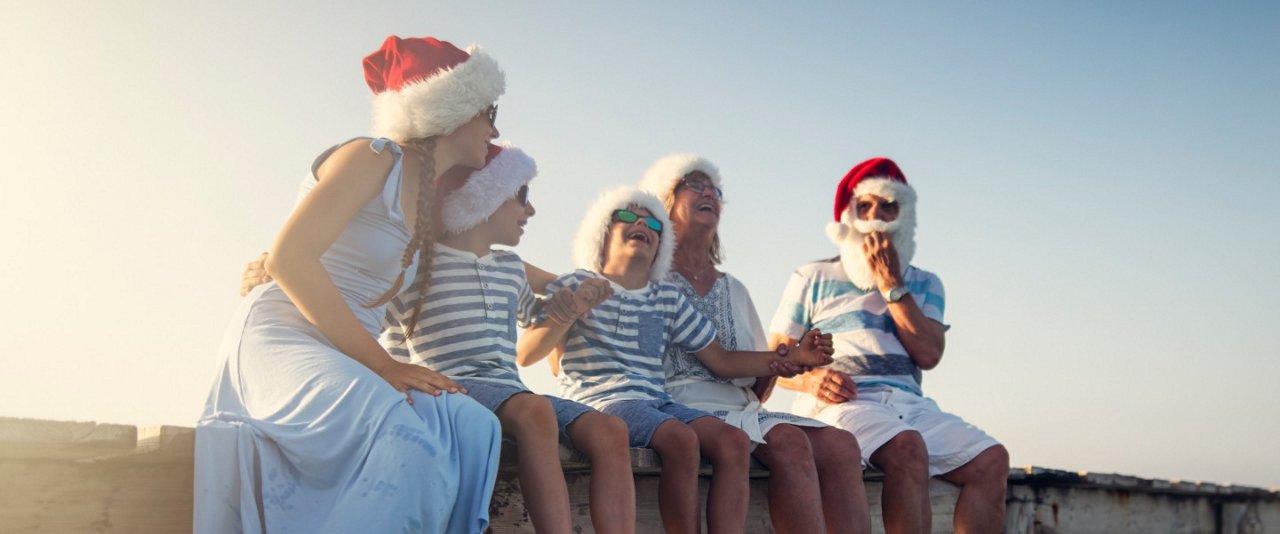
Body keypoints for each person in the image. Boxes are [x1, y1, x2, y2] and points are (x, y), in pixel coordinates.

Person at [196, 36, 506, 533]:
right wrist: (383, 365)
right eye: (488, 111)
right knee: (409, 443)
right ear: (451, 109)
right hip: (287, 337)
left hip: (348, 352)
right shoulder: (373, 157)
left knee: (474, 428)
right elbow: (291, 259)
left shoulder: (427, 205)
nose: (495, 128)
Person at [518, 186, 835, 534]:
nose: (641, 222)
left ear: (661, 246)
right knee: (681, 440)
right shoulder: (578, 283)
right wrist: (575, 307)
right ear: (602, 234)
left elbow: (723, 361)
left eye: (653, 223)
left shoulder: (667, 297)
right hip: (602, 403)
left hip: (656, 402)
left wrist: (793, 357)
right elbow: (528, 354)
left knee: (733, 442)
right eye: (626, 216)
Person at [377, 143, 637, 533]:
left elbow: (536, 325)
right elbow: (358, 297)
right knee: (534, 411)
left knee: (611, 430)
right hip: (447, 389)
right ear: (482, 198)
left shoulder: (511, 268)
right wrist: (272, 271)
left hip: (508, 388)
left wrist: (569, 310)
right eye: (522, 197)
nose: (530, 211)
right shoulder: (417, 262)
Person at [770, 157, 1010, 534]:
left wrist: (890, 282)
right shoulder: (812, 276)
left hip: (909, 406)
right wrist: (811, 380)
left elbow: (929, 355)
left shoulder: (926, 283)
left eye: (888, 206)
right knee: (907, 448)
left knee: (992, 460)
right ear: (847, 216)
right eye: (863, 207)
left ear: (905, 215)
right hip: (843, 405)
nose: (876, 217)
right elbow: (774, 360)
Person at [637, 153, 872, 534]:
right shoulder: (646, 280)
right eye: (694, 184)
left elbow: (757, 390)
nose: (709, 192)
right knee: (791, 442)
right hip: (679, 409)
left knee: (843, 445)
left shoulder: (736, 289)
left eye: (715, 189)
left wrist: (791, 362)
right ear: (666, 200)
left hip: (745, 413)